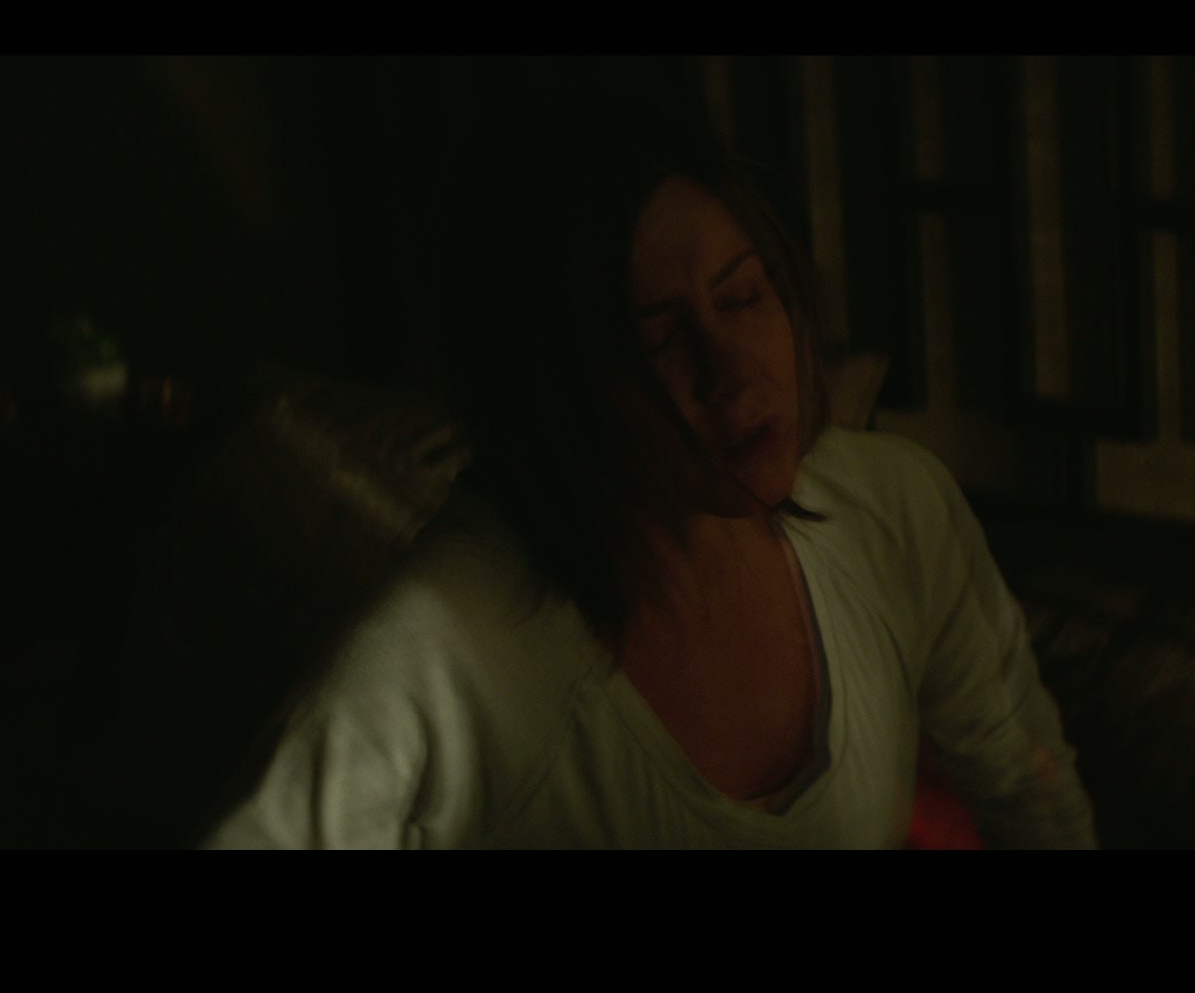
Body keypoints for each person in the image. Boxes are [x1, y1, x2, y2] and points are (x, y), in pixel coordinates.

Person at [203, 82, 1097, 848]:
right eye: (659, 340)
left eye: (742, 296)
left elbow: (1031, 789)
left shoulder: (891, 511)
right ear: (559, 391)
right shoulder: (455, 647)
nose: (730, 371)